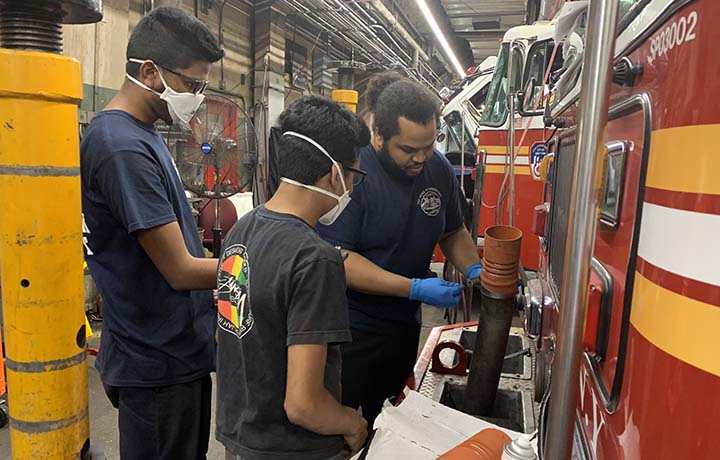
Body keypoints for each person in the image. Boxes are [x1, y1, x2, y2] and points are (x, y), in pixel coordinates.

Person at [80, 7, 223, 459]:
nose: (196, 97)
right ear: (149, 72)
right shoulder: (121, 146)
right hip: (156, 365)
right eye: (191, 84)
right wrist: (265, 266)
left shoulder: (146, 133)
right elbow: (180, 270)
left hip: (177, 353)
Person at [318, 80, 483, 429]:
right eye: (408, 149)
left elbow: (453, 230)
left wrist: (474, 269)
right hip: (352, 331)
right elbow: (339, 258)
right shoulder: (354, 174)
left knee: (390, 423)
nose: (420, 157)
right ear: (378, 135)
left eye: (429, 145)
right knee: (344, 429)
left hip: (404, 329)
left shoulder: (436, 169)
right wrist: (415, 288)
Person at [215, 96, 370, 460]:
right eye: (354, 177)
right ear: (335, 174)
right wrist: (352, 423)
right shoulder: (316, 259)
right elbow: (303, 405)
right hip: (291, 449)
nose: (351, 187)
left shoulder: (242, 229)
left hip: (240, 439)